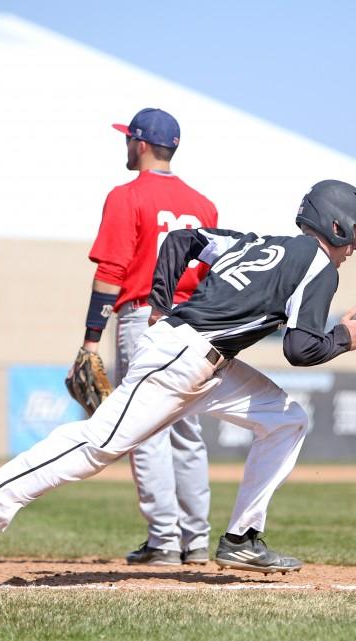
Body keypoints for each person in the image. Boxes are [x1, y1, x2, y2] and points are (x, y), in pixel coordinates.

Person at [0, 179, 356, 587]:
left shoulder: (258, 243)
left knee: (287, 420)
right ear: (335, 225)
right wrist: (342, 338)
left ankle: (243, 535)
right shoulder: (320, 265)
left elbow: (184, 239)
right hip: (181, 359)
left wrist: (160, 303)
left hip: (202, 362)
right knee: (96, 445)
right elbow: (300, 349)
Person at [82, 107, 218, 566]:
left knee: (145, 432)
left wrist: (90, 339)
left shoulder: (126, 196)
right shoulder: (204, 206)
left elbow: (111, 272)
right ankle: (196, 540)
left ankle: (163, 540)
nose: (125, 146)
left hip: (145, 320)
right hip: (194, 323)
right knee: (187, 430)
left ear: (139, 144)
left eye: (127, 140)